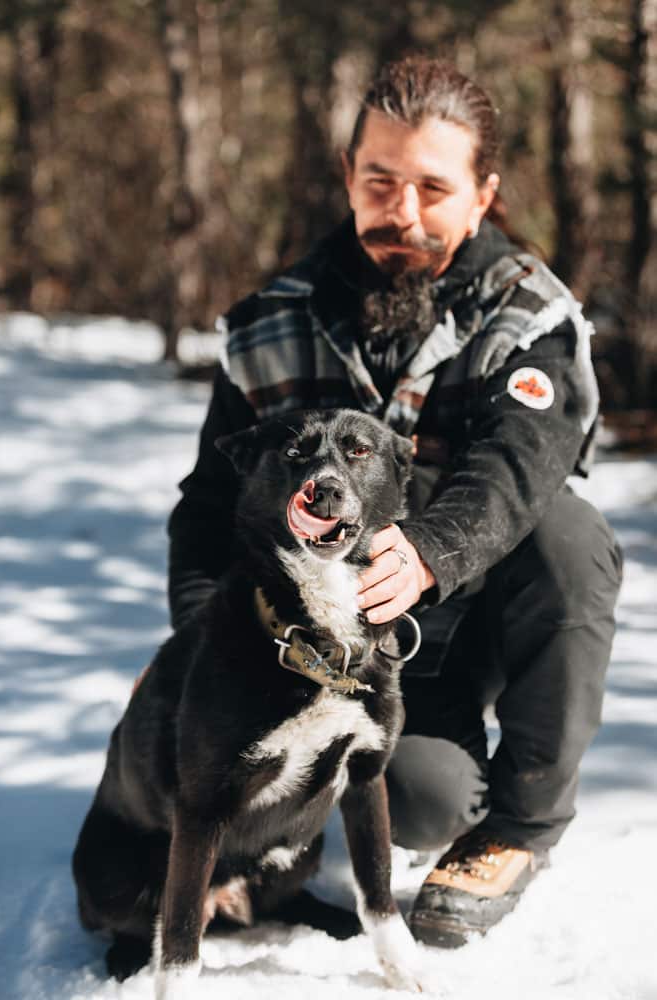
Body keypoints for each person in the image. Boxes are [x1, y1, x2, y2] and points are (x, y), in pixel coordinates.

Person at [167, 56, 623, 947]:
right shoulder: (271, 323)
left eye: (431, 187)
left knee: (567, 534)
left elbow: (516, 471)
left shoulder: (528, 319)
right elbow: (209, 504)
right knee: (419, 801)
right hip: (322, 648)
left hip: (466, 620)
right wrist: (197, 645)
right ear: (348, 176)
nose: (401, 211)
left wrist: (429, 551)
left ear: (483, 195)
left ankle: (521, 829)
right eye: (379, 182)